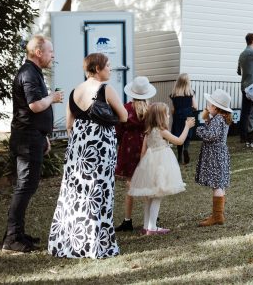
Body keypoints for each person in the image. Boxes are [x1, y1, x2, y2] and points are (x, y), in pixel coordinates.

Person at [48, 52, 128, 258]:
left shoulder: (75, 91)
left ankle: (72, 240)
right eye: (108, 66)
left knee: (76, 192)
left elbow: (68, 125)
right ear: (98, 69)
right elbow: (125, 116)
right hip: (101, 147)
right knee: (98, 191)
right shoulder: (105, 89)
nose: (110, 69)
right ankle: (96, 243)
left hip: (79, 147)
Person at [2, 35, 64, 253]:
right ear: (39, 52)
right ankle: (11, 239)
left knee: (27, 185)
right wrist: (53, 98)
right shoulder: (28, 73)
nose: (53, 55)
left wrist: (43, 134)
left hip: (33, 136)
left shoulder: (33, 72)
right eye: (50, 51)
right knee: (25, 186)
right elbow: (35, 105)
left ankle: (18, 234)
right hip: (27, 139)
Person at [128, 103, 195, 235]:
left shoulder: (148, 133)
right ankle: (152, 227)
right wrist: (187, 126)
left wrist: (143, 168)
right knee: (157, 195)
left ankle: (147, 226)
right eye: (167, 114)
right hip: (161, 166)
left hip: (149, 165)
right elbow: (179, 141)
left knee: (149, 197)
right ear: (161, 117)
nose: (169, 116)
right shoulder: (162, 131)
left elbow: (142, 152)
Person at [115, 76, 155, 233]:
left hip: (129, 147)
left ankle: (127, 220)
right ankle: (150, 216)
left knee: (130, 184)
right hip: (146, 147)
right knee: (146, 183)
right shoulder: (151, 110)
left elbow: (118, 129)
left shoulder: (125, 108)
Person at [195, 89, 233, 226]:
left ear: (215, 107)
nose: (207, 107)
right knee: (219, 184)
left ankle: (217, 216)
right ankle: (218, 214)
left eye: (209, 105)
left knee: (217, 184)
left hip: (215, 155)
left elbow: (211, 135)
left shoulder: (217, 119)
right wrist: (206, 119)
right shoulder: (220, 118)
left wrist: (199, 128)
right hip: (219, 153)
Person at [170, 74, 197, 165]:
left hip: (178, 116)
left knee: (179, 135)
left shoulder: (174, 94)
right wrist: (190, 109)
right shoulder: (191, 93)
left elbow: (173, 109)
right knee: (187, 134)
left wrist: (174, 113)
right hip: (188, 115)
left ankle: (179, 158)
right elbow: (196, 107)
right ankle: (186, 149)